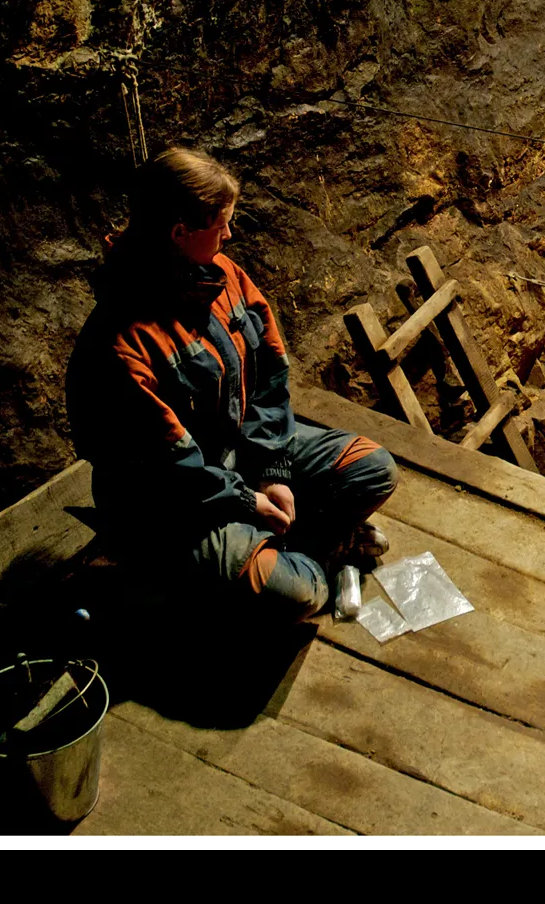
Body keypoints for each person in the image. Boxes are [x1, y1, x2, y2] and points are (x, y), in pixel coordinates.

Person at [68, 146, 398, 619]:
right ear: (180, 233)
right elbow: (171, 468)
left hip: (236, 453)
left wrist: (272, 469)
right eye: (220, 223)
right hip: (172, 504)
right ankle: (301, 558)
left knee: (374, 469)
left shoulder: (222, 276)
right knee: (305, 594)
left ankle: (288, 546)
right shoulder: (123, 345)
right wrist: (248, 502)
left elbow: (271, 376)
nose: (230, 233)